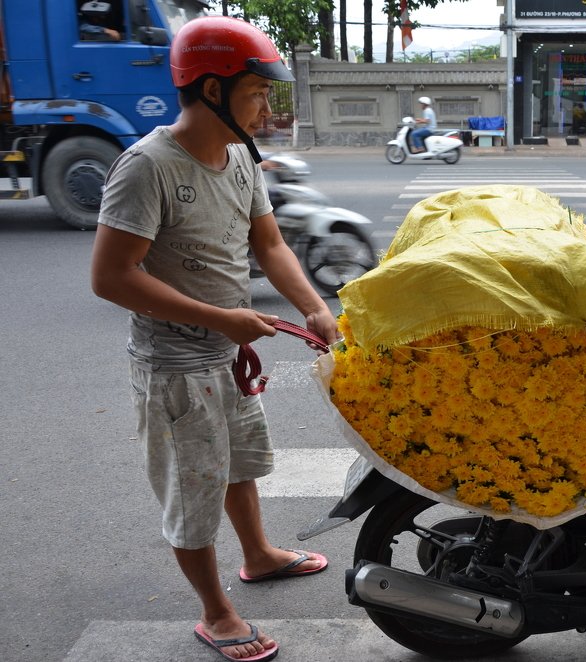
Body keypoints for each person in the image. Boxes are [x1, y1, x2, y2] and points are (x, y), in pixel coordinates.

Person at [91, 16, 339, 662]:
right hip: (174, 364)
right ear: (210, 90)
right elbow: (112, 278)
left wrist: (314, 307)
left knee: (239, 465)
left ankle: (257, 556)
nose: (266, 109)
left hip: (225, 355)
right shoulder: (146, 168)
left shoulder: (238, 159)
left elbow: (270, 243)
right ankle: (216, 612)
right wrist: (220, 317)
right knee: (194, 487)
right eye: (256, 94)